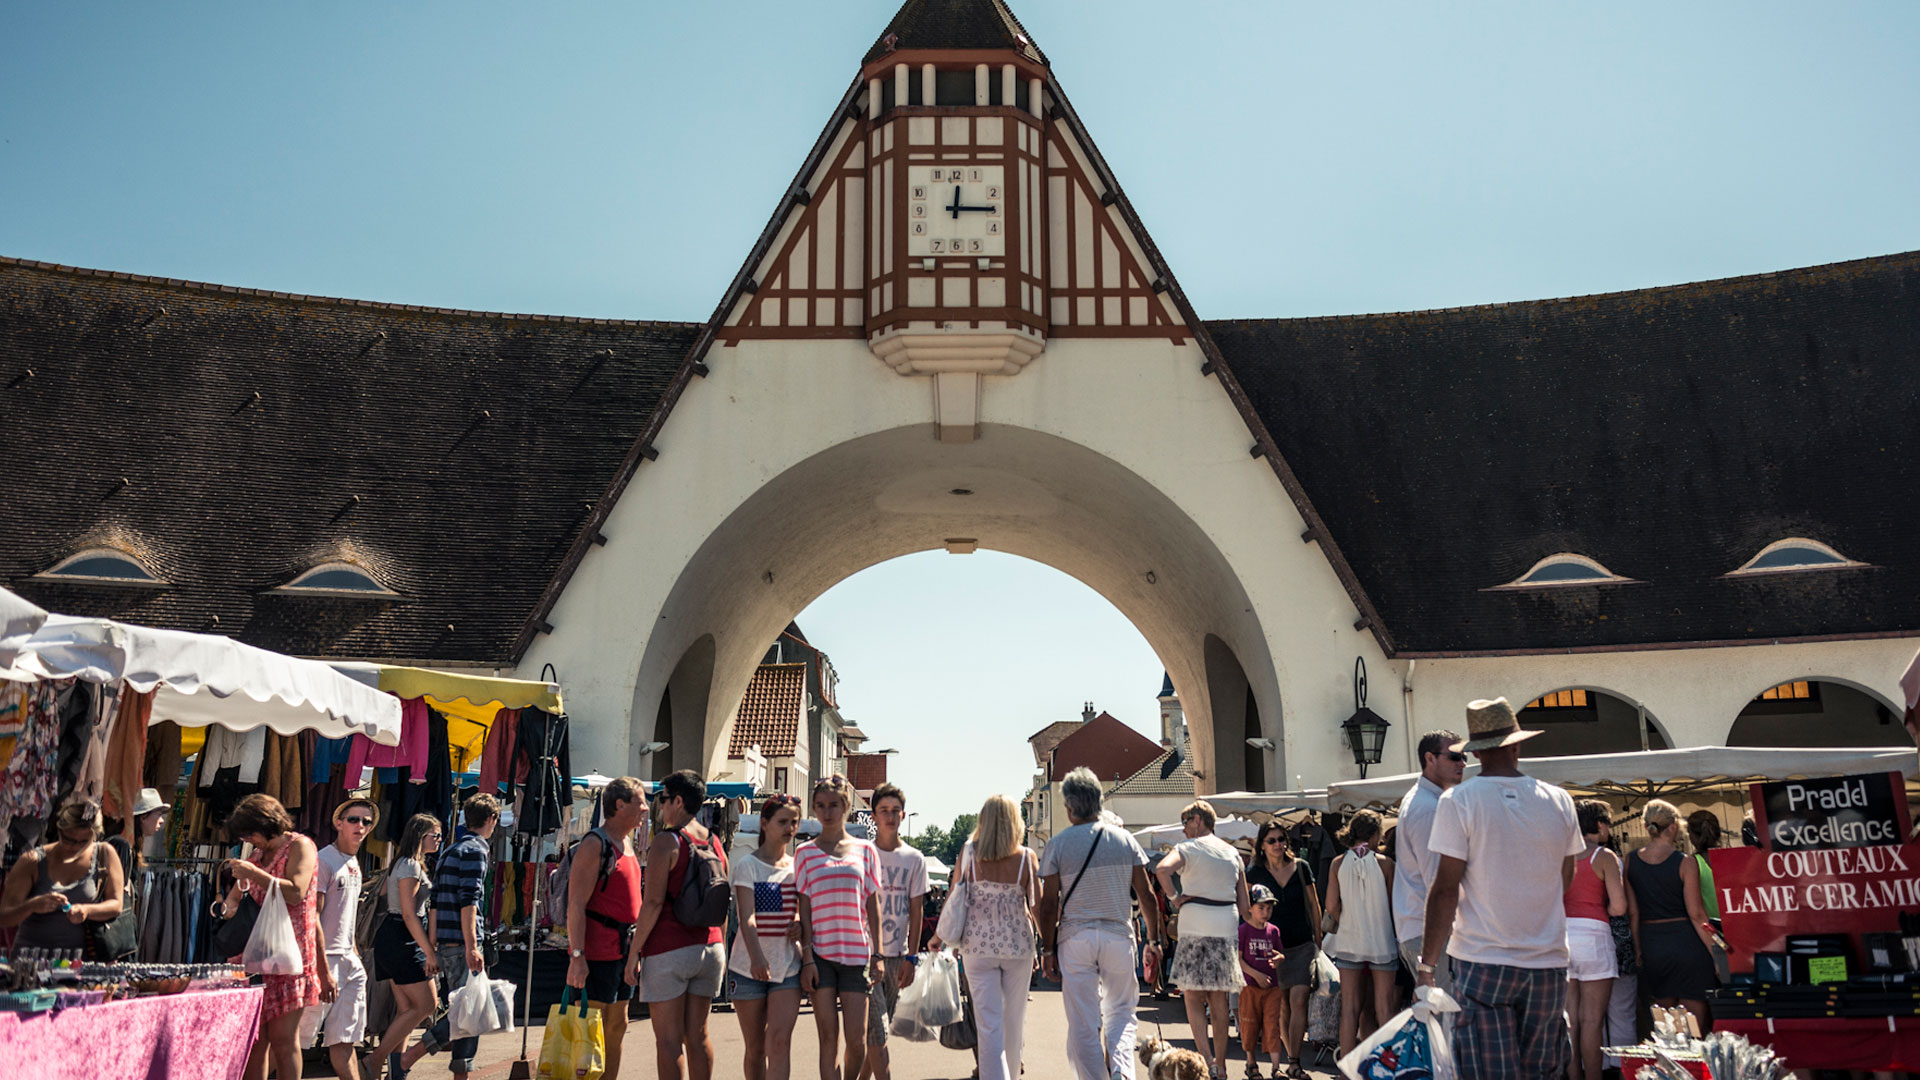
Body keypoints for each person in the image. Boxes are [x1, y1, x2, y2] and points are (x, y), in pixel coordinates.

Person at [1416, 698, 1583, 1080]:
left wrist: (1427, 964)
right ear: (1516, 745)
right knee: (1542, 1072)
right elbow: (1565, 877)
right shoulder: (1559, 800)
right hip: (1548, 961)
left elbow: (1445, 889)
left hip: (1483, 959)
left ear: (1476, 752)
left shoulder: (1458, 801)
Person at [1038, 767, 1163, 1080]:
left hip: (1075, 939)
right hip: (1118, 936)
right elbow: (1146, 895)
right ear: (1099, 801)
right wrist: (1154, 940)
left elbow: (1049, 902)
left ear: (1069, 807)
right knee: (1121, 1014)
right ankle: (1122, 1072)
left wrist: (1047, 949)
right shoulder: (1124, 840)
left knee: (1083, 1022)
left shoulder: (1057, 844)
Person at [222, 793, 331, 1080]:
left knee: (283, 1040)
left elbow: (296, 890)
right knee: (255, 1043)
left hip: (289, 957)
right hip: (254, 958)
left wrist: (253, 873)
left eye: (251, 833)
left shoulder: (301, 846)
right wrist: (225, 911)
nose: (249, 840)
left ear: (265, 824)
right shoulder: (257, 855)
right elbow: (234, 899)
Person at [627, 769, 728, 1080]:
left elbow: (653, 903)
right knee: (698, 1036)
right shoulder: (714, 842)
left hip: (669, 947)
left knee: (669, 1041)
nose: (660, 807)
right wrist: (720, 944)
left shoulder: (667, 841)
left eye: (663, 799)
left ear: (679, 801)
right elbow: (723, 901)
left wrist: (634, 953)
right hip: (710, 948)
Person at [393, 793, 501, 1080]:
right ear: (491, 820)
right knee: (469, 1013)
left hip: (447, 943)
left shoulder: (451, 851)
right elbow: (470, 901)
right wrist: (472, 946)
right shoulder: (477, 850)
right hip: (462, 943)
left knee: (469, 1014)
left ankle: (459, 1073)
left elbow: (437, 903)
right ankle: (408, 1058)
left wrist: (434, 946)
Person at [1155, 799, 1253, 1080]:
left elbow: (1162, 869)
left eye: (1185, 823)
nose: (1183, 830)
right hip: (1225, 925)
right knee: (1219, 999)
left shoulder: (1188, 848)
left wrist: (1175, 898)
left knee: (1193, 996)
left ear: (1198, 820)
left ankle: (1206, 1060)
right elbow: (1245, 907)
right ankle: (1221, 1065)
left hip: (1195, 924)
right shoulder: (1233, 853)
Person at [793, 774, 881, 1080]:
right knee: (828, 1039)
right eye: (820, 805)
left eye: (833, 805)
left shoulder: (866, 850)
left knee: (856, 1041)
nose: (826, 812)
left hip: (857, 955)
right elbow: (803, 908)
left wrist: (878, 955)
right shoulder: (804, 853)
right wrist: (806, 958)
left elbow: (873, 905)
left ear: (845, 806)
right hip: (820, 956)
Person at [946, 794, 1039, 1080]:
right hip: (1018, 947)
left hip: (977, 946)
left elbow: (954, 896)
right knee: (1014, 1023)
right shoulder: (1026, 857)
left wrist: (944, 937)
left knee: (988, 1026)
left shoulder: (969, 853)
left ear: (983, 822)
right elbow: (1036, 904)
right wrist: (1046, 948)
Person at [564, 777, 648, 1080]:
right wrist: (577, 956)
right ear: (619, 804)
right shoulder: (594, 843)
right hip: (597, 951)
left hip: (622, 952)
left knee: (618, 1024)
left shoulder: (626, 843)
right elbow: (576, 904)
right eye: (640, 801)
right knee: (591, 1028)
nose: (645, 808)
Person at [1626, 799, 1718, 1032]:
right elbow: (1697, 914)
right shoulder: (1685, 862)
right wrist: (1716, 952)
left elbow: (1633, 912)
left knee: (1667, 1028)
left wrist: (1637, 948)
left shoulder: (1630, 861)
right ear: (1674, 826)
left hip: (1652, 945)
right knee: (1693, 1026)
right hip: (1687, 946)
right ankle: (1694, 1065)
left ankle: (1673, 1065)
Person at [732, 794, 804, 1080]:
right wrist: (757, 958)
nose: (789, 828)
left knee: (779, 1043)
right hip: (748, 967)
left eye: (794, 822)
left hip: (787, 966)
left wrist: (800, 923)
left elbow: (801, 911)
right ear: (764, 823)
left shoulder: (799, 867)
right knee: (755, 1048)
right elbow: (746, 918)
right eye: (782, 821)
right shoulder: (748, 865)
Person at [367, 814, 443, 1079]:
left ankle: (395, 1069)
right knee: (426, 1005)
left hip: (392, 937)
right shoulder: (409, 865)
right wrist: (429, 952)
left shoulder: (401, 863)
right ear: (420, 836)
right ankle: (375, 1060)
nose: (439, 839)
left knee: (407, 1009)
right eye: (435, 834)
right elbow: (409, 914)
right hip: (402, 938)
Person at [860, 783, 927, 1080]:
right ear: (873, 816)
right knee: (877, 1029)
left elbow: (917, 910)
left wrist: (912, 957)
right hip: (866, 956)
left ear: (902, 815)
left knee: (878, 1032)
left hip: (898, 956)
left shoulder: (914, 858)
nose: (890, 817)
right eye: (883, 811)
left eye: (895, 811)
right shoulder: (862, 853)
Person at [1245, 820, 1321, 1079]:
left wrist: (1318, 940)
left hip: (1301, 944)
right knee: (1283, 1007)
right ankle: (1291, 1058)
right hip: (1269, 949)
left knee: (1299, 999)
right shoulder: (1255, 872)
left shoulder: (1301, 866)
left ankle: (1296, 1061)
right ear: (1262, 846)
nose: (1278, 844)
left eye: (1281, 839)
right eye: (1272, 840)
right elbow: (1246, 909)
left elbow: (1314, 904)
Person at [308, 799, 377, 1080]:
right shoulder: (324, 860)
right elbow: (312, 917)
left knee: (345, 1039)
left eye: (366, 821)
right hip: (323, 961)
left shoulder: (353, 861)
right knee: (294, 1040)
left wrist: (354, 955)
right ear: (338, 823)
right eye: (353, 820)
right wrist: (322, 968)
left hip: (348, 961)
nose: (360, 826)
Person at [0, 800, 127, 954]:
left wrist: (86, 910)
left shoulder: (104, 854)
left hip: (79, 963)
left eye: (83, 842)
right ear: (59, 830)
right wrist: (32, 905)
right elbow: (5, 916)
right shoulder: (33, 860)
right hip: (30, 961)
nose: (74, 847)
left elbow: (116, 904)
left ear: (94, 836)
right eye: (68, 839)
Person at [1392, 730, 1464, 991]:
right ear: (1430, 758)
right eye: (1455, 756)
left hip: (1421, 930)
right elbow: (1440, 883)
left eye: (1463, 756)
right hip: (1432, 933)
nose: (1462, 763)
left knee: (1440, 1020)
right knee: (1448, 1021)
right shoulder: (1428, 808)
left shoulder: (1422, 800)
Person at [1323, 809, 1397, 1056]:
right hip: (1381, 941)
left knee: (1350, 1009)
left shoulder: (1338, 863)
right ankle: (1387, 1067)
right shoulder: (1387, 865)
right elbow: (1393, 903)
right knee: (1384, 1008)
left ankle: (1346, 1069)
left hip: (1349, 940)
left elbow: (1331, 906)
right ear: (1376, 833)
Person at [1564, 799, 1626, 1080]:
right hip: (1594, 936)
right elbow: (1619, 906)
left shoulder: (1559, 855)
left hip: (1561, 938)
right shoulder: (1604, 857)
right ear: (1599, 824)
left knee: (1570, 1021)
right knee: (1592, 1020)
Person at [1237, 884, 1285, 1080]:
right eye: (1261, 908)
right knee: (1250, 1024)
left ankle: (1276, 1067)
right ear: (1250, 908)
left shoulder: (1273, 931)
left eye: (1269, 908)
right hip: (1250, 987)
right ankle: (1251, 1063)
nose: (1266, 913)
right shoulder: (1244, 930)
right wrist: (1255, 974)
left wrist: (1280, 958)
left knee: (1272, 1025)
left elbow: (1280, 953)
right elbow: (1238, 959)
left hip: (1272, 987)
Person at [106, 787, 170, 878]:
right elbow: (116, 888)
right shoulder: (121, 845)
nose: (161, 820)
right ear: (143, 817)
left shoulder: (129, 845)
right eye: (159, 814)